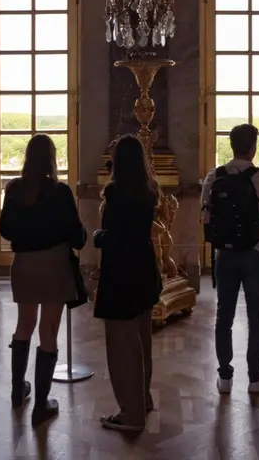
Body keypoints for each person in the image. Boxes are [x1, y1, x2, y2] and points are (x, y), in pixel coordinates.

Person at [0, 134, 87, 426]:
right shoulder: (59, 192)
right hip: (54, 263)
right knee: (48, 331)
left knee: (24, 325)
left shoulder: (14, 189)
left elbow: (5, 230)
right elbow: (77, 236)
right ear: (51, 158)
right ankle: (41, 404)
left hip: (23, 264)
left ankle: (16, 390)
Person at [201, 123, 259, 395]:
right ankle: (255, 376)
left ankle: (224, 377)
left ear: (231, 145)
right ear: (253, 147)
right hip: (255, 253)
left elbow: (206, 218)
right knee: (257, 318)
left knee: (224, 315)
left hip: (225, 254)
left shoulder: (213, 177)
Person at [93, 135, 162, 433]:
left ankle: (131, 413)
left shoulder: (116, 194)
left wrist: (97, 237)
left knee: (122, 346)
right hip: (144, 270)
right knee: (141, 340)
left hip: (120, 275)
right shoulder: (148, 191)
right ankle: (143, 398)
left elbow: (114, 238)